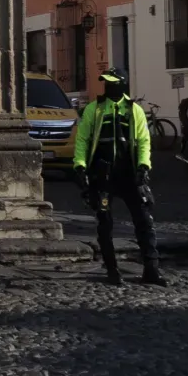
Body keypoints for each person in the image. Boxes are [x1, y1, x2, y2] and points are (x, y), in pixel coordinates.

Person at [70, 70, 162, 285]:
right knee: (105, 222)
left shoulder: (134, 110)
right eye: (105, 83)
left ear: (122, 85)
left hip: (129, 174)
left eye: (112, 84)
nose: (108, 88)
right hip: (102, 176)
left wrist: (143, 166)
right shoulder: (94, 109)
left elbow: (143, 140)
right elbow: (82, 140)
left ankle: (152, 269)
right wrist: (80, 166)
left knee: (144, 220)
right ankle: (112, 269)